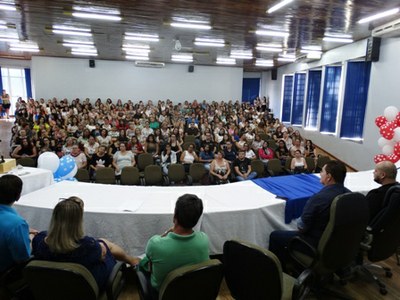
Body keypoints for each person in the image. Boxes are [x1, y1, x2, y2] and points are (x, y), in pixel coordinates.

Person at [32, 197, 139, 291]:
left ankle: (130, 260)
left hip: (52, 286)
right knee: (104, 243)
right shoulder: (88, 246)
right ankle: (131, 260)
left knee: (102, 244)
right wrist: (100, 246)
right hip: (87, 286)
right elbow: (101, 253)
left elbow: (38, 237)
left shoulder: (40, 242)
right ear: (77, 223)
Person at [269, 160, 350, 268]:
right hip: (339, 243)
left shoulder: (319, 198)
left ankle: (280, 271)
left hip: (316, 243)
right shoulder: (349, 195)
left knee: (275, 236)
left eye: (322, 171)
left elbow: (301, 226)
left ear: (329, 177)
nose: (320, 174)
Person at [139, 194, 209, 291]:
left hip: (163, 294)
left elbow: (149, 265)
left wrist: (167, 232)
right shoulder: (204, 239)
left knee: (143, 265)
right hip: (193, 292)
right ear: (196, 220)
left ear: (175, 215)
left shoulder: (155, 244)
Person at [0, 175, 36, 273]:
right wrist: (32, 238)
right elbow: (23, 258)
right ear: (18, 196)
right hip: (6, 275)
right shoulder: (17, 224)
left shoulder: (16, 224)